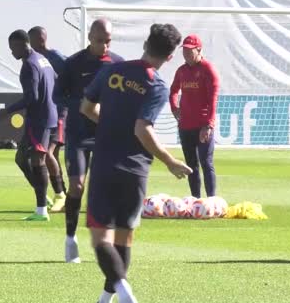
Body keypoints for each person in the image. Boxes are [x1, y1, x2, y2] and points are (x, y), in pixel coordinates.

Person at [80, 23, 192, 303]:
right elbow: (142, 129)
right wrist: (169, 161)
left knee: (99, 240)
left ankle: (126, 295)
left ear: (145, 44)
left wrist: (110, 122)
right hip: (136, 170)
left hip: (105, 164)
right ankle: (106, 298)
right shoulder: (156, 85)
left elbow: (86, 108)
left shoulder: (111, 70)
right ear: (170, 57)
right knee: (123, 238)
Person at [54, 19, 124, 263]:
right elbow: (57, 95)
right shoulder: (73, 64)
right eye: (99, 41)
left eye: (108, 41)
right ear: (90, 38)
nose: (104, 46)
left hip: (107, 136)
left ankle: (107, 243)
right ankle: (70, 238)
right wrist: (76, 107)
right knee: (77, 187)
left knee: (108, 190)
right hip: (78, 135)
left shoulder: (119, 64)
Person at [0, 30, 57, 221]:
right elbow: (55, 81)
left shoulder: (30, 66)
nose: (11, 52)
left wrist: (8, 110)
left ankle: (41, 210)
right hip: (49, 115)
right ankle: (43, 197)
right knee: (21, 158)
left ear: (22, 44)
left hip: (39, 119)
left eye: (12, 47)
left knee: (37, 161)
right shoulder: (42, 59)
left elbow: (32, 98)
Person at [169, 34, 220, 198]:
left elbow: (213, 100)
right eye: (184, 50)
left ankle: (211, 200)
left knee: (206, 163)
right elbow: (173, 91)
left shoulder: (208, 70)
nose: (186, 53)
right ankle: (195, 201)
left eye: (190, 50)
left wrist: (208, 125)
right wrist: (174, 108)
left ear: (199, 50)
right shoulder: (182, 71)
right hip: (185, 126)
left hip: (202, 126)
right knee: (191, 165)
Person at [28, 26, 67, 213]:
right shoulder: (37, 59)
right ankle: (61, 193)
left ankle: (61, 195)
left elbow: (71, 76)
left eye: (31, 39)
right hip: (49, 111)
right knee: (51, 154)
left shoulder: (55, 57)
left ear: (39, 40)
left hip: (60, 111)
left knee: (48, 153)